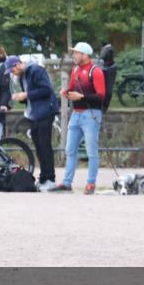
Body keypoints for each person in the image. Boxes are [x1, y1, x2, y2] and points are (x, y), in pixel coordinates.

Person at [50, 42, 106, 195]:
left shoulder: (95, 72)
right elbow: (73, 88)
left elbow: (101, 96)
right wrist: (66, 92)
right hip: (76, 114)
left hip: (90, 114)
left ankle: (91, 183)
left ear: (85, 55)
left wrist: (81, 96)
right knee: (70, 149)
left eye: (76, 53)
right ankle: (67, 183)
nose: (73, 56)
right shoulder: (75, 70)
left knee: (91, 151)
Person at [8, 55, 58, 191]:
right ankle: (43, 177)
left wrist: (27, 95)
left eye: (12, 71)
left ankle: (50, 178)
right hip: (33, 114)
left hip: (46, 112)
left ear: (17, 65)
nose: (13, 74)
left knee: (45, 145)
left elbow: (46, 90)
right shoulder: (21, 76)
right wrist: (21, 98)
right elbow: (30, 96)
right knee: (39, 147)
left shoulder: (36, 70)